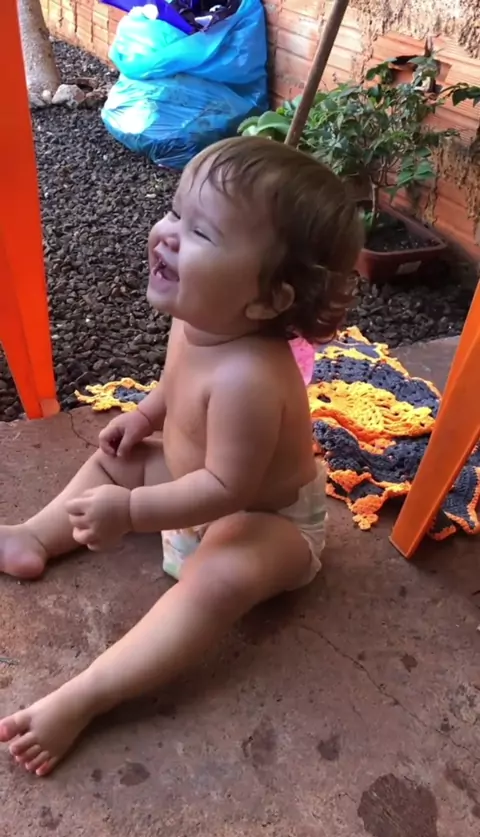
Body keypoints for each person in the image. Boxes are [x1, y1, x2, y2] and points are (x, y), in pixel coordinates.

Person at [0, 136, 363, 776]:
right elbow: (175, 386)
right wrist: (145, 416)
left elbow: (227, 489)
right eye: (174, 211)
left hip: (265, 521)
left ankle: (88, 694)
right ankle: (33, 535)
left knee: (218, 577)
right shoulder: (197, 321)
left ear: (268, 300)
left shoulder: (251, 378)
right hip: (196, 490)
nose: (167, 234)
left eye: (201, 232)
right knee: (124, 455)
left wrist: (131, 512)